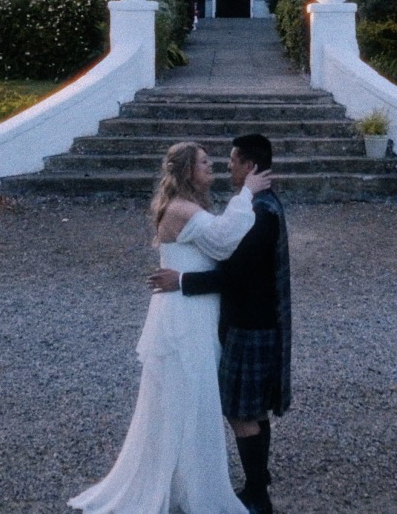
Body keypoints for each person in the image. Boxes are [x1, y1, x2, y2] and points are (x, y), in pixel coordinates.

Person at [71, 144, 272, 514]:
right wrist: (247, 193)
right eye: (204, 163)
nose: (212, 168)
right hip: (185, 317)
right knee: (188, 400)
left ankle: (181, 481)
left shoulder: (187, 206)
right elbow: (226, 240)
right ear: (186, 171)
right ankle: (190, 489)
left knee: (188, 399)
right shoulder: (183, 209)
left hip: (190, 310)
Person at [149, 133, 290, 514]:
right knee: (244, 410)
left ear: (248, 166)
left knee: (242, 411)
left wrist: (183, 281)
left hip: (249, 323)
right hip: (233, 319)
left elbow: (236, 270)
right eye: (209, 162)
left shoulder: (260, 210)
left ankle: (258, 491)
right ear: (186, 172)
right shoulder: (251, 204)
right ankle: (253, 485)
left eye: (229, 161)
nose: (223, 166)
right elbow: (223, 249)